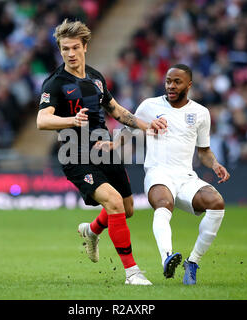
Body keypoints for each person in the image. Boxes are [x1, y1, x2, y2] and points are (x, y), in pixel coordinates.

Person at [36, 19, 167, 285]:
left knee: (127, 209)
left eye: (74, 48)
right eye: (64, 49)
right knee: (115, 202)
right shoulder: (55, 83)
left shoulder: (96, 78)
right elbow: (42, 120)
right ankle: (132, 273)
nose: (70, 54)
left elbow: (117, 111)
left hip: (105, 151)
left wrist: (146, 125)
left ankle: (92, 230)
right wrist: (72, 120)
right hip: (76, 156)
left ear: (85, 47)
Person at [133, 64, 230, 285]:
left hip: (186, 177)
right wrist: (113, 143)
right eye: (168, 81)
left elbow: (203, 151)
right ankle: (167, 257)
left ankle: (192, 262)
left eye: (177, 82)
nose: (171, 86)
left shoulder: (200, 113)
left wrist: (215, 164)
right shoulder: (149, 106)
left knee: (216, 203)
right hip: (158, 173)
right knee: (163, 202)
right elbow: (129, 127)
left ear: (189, 85)